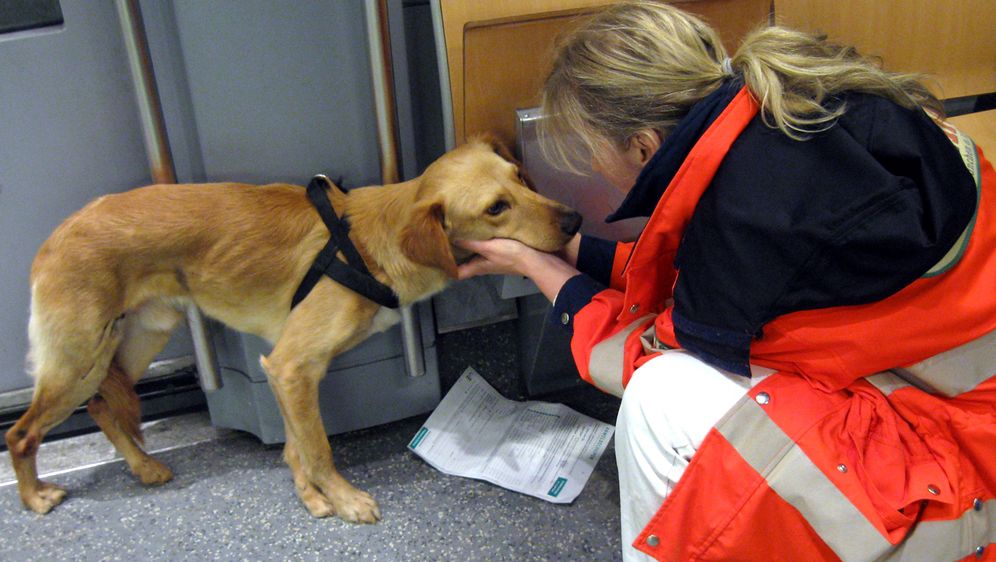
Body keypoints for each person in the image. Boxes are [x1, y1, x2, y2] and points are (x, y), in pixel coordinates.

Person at [456, 2, 996, 561]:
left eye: (594, 154)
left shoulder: (743, 237)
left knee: (659, 397)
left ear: (642, 146)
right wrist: (572, 249)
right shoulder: (808, 105)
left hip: (964, 475)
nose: (594, 170)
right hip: (963, 388)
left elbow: (647, 353)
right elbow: (713, 282)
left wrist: (542, 269)